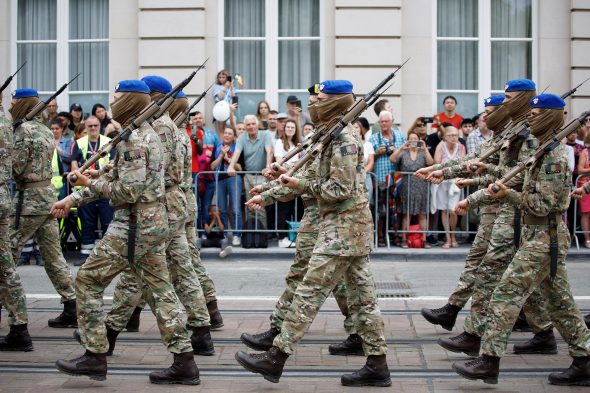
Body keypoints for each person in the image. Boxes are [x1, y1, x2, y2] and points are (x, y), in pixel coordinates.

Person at [235, 79, 391, 387]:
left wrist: (300, 186)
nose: (313, 104)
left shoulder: (345, 138)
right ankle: (378, 364)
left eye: (320, 99)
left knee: (309, 292)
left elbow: (339, 189)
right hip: (344, 227)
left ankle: (276, 357)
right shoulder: (329, 136)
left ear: (334, 102)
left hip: (344, 227)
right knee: (363, 299)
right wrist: (270, 189)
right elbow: (307, 174)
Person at [51, 79, 200, 384]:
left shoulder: (135, 140)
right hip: (150, 224)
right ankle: (185, 361)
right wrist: (76, 195)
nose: (113, 101)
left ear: (130, 101)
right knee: (160, 292)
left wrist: (88, 183)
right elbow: (115, 176)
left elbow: (126, 191)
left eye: (118, 96)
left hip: (134, 225)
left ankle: (95, 355)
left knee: (88, 280)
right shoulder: (139, 134)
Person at [454, 93, 590, 387]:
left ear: (552, 117)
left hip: (544, 237)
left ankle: (488, 361)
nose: (532, 117)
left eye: (538, 113)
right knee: (560, 303)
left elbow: (541, 205)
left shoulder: (553, 157)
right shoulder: (542, 149)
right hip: (536, 235)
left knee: (505, 294)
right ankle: (585, 359)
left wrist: (508, 195)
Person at [441, 80, 555, 362]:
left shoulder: (528, 136)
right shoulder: (515, 132)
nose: (502, 105)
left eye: (507, 98)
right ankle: (545, 334)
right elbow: (499, 170)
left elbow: (516, 177)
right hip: (508, 211)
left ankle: (476, 337)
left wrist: (474, 196)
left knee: (495, 274)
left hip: (518, 214)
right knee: (536, 283)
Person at [102, 75, 213, 358]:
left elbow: (149, 173)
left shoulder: (158, 128)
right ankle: (201, 329)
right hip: (174, 203)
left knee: (136, 273)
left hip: (161, 204)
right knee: (180, 267)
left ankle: (109, 333)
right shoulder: (171, 126)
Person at [417, 95, 507, 331]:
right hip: (494, 211)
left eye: (489, 113)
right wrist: (437, 169)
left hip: (510, 214)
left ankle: (474, 330)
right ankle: (453, 311)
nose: (484, 118)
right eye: (484, 114)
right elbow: (473, 161)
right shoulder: (499, 139)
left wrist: (471, 196)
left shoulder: (515, 139)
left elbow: (510, 178)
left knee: (499, 273)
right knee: (480, 262)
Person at [8, 88, 78, 329]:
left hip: (28, 201)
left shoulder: (22, 130)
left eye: (14, 101)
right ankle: (72, 304)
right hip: (47, 197)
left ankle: (15, 317)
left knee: (7, 254)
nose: (10, 105)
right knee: (53, 256)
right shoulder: (45, 130)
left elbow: (15, 167)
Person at [0, 91, 33, 352]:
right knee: (5, 264)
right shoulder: (6, 119)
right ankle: (19, 326)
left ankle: (19, 327)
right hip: (4, 195)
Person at [70, 115, 115, 262]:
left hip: (104, 186)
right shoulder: (79, 143)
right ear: (86, 127)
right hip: (86, 186)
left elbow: (114, 164)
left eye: (96, 125)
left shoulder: (109, 142)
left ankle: (107, 256)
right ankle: (85, 254)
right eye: (90, 126)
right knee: (87, 221)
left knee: (107, 221)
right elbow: (74, 166)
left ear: (100, 126)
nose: (93, 128)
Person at [227, 115, 273, 228]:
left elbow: (269, 151)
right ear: (245, 126)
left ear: (257, 125)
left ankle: (262, 236)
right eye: (248, 124)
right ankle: (251, 234)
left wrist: (268, 166)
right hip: (248, 175)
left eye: (253, 124)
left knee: (260, 207)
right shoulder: (242, 137)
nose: (251, 126)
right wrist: (231, 166)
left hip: (261, 175)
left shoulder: (266, 134)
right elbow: (237, 152)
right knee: (250, 206)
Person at [390, 131, 433, 248]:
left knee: (422, 214)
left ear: (419, 140)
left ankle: (423, 239)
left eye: (415, 139)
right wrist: (402, 147)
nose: (413, 141)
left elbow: (431, 163)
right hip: (406, 186)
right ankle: (404, 239)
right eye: (411, 139)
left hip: (422, 186)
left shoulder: (422, 152)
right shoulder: (404, 152)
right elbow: (392, 159)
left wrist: (425, 149)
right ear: (407, 140)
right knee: (406, 214)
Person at [370, 110, 406, 246]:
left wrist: (395, 151)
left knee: (396, 209)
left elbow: (405, 154)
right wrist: (377, 153)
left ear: (392, 122)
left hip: (397, 177)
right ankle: (379, 236)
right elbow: (369, 158)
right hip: (379, 178)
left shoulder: (400, 136)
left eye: (386, 121)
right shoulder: (374, 138)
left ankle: (396, 236)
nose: (384, 124)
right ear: (379, 123)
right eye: (382, 122)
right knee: (380, 210)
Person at [433, 125, 466, 248]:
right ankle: (447, 238)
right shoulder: (440, 146)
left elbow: (463, 164)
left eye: (456, 135)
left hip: (455, 183)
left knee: (453, 210)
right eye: (451, 135)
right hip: (442, 182)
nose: (454, 137)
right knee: (444, 210)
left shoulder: (461, 147)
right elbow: (437, 163)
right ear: (444, 137)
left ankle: (453, 236)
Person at [210, 126, 243, 247]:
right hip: (220, 180)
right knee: (222, 209)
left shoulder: (238, 147)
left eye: (230, 133)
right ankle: (224, 235)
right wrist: (221, 156)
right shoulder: (217, 147)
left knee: (235, 208)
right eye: (225, 133)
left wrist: (229, 159)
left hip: (233, 178)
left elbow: (240, 167)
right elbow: (212, 167)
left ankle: (236, 235)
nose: (227, 135)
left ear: (234, 136)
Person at [273, 119, 301, 247]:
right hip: (284, 179)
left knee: (295, 209)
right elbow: (279, 162)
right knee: (283, 209)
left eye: (292, 127)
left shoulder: (298, 144)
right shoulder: (279, 142)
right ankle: (282, 238)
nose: (290, 129)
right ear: (284, 129)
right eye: (288, 127)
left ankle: (293, 236)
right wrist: (293, 167)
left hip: (296, 180)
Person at [50, 118, 74, 200]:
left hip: (63, 178)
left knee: (62, 202)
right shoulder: (47, 141)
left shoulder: (68, 142)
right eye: (52, 128)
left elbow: (69, 157)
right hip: (49, 178)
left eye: (57, 128)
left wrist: (57, 148)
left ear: (62, 129)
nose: (54, 131)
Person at [353, 118, 375, 203]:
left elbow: (371, 162)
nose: (354, 129)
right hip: (352, 178)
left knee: (366, 203)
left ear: (361, 129)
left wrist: (363, 172)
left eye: (356, 127)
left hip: (366, 177)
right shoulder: (348, 145)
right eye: (353, 127)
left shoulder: (368, 145)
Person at [576, 132, 590, 247]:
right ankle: (587, 239)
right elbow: (580, 170)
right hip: (584, 185)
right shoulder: (584, 152)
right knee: (586, 213)